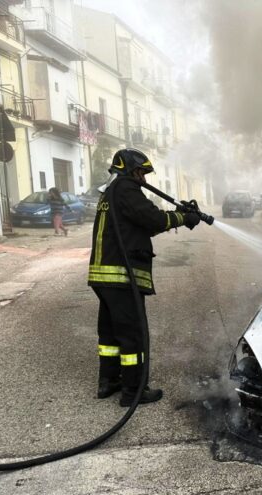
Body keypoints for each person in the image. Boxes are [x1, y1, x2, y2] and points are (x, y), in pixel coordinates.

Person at [88, 148, 201, 406]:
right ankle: (133, 391)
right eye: (142, 173)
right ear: (131, 171)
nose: (145, 180)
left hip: (103, 277)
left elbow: (138, 225)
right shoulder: (127, 190)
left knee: (109, 334)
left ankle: (108, 381)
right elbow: (152, 219)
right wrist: (184, 217)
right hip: (121, 276)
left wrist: (180, 215)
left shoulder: (111, 193)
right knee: (133, 335)